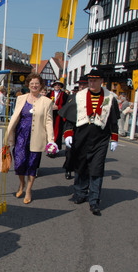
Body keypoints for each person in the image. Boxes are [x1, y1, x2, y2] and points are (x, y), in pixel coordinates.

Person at [59, 69, 120, 216]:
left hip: (100, 138)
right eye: (90, 81)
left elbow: (113, 120)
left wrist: (114, 138)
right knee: (80, 166)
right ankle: (80, 193)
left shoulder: (110, 98)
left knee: (96, 169)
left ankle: (94, 200)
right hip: (81, 136)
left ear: (101, 81)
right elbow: (69, 119)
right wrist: (68, 134)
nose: (92, 83)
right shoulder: (78, 97)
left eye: (95, 80)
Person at [4, 73, 55, 204]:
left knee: (32, 164)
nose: (34, 86)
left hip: (37, 137)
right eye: (32, 83)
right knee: (19, 163)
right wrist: (8, 136)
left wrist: (51, 141)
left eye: (37, 83)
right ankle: (22, 184)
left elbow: (49, 122)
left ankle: (28, 190)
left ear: (41, 85)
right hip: (21, 135)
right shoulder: (21, 98)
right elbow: (15, 117)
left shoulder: (47, 102)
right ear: (28, 84)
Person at [64, 75, 88, 180]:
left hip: (85, 129)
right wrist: (67, 132)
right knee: (70, 151)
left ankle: (82, 172)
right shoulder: (73, 97)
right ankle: (68, 169)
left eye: (84, 84)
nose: (82, 86)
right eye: (80, 84)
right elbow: (67, 113)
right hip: (73, 128)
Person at [49, 80, 68, 151]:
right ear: (53, 86)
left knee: (58, 131)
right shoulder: (49, 94)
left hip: (59, 116)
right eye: (55, 85)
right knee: (50, 130)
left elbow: (66, 105)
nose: (57, 86)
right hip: (50, 115)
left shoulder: (64, 95)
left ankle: (56, 148)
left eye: (58, 85)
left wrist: (59, 107)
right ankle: (49, 147)